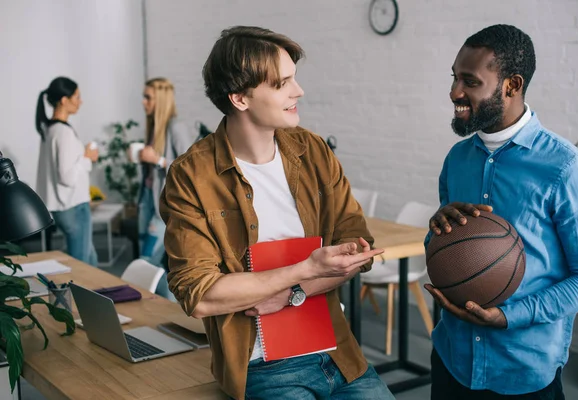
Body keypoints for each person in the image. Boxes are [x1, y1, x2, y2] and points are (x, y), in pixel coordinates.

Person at [159, 26, 394, 400]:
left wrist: (292, 292)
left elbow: (357, 249)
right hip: (262, 366)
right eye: (283, 83)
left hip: (337, 353)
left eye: (294, 79)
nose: (298, 91)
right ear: (239, 98)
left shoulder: (313, 149)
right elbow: (200, 295)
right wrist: (306, 269)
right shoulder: (192, 176)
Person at [425, 24, 578, 399]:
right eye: (455, 78)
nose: (455, 91)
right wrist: (436, 230)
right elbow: (445, 246)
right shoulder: (457, 159)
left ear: (511, 85)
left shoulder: (567, 168)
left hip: (523, 373)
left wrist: (510, 316)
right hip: (451, 360)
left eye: (469, 81)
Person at [134, 77, 194, 299]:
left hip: (163, 205)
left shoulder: (176, 127)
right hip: (147, 202)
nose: (143, 102)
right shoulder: (153, 127)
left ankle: (164, 309)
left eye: (147, 97)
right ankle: (163, 307)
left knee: (148, 260)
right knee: (147, 260)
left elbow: (190, 170)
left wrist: (158, 160)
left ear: (160, 99)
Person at [35, 77, 99, 266]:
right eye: (77, 97)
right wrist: (87, 156)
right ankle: (84, 296)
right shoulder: (63, 133)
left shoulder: (49, 129)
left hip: (61, 208)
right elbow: (67, 177)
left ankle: (100, 294)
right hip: (73, 206)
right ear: (64, 100)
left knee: (90, 259)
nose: (80, 101)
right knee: (83, 264)